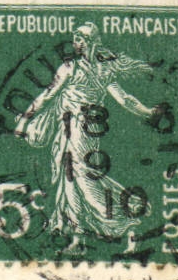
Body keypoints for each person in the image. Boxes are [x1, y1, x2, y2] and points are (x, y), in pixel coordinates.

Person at [14, 23, 165, 249]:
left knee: (80, 175)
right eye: (75, 38)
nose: (76, 43)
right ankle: (75, 232)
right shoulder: (97, 70)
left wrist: (24, 121)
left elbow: (47, 96)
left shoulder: (75, 68)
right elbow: (124, 100)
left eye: (80, 39)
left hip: (78, 130)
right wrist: (148, 112)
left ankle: (121, 216)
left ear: (91, 42)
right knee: (71, 177)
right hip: (82, 131)